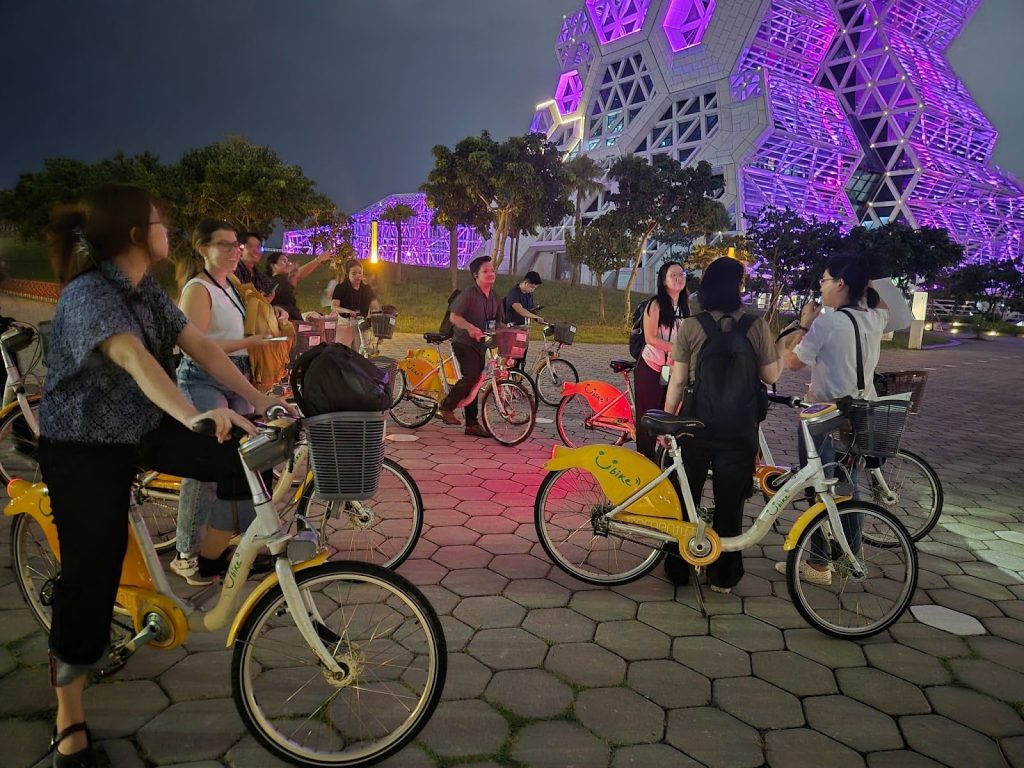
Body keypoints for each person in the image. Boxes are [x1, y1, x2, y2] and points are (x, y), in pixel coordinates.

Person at [38, 184, 283, 767]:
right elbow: (132, 358)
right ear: (132, 235)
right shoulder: (89, 293)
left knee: (242, 454)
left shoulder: (147, 291)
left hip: (140, 426)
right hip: (83, 445)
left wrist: (257, 399)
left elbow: (199, 345)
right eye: (158, 222)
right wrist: (196, 413)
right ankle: (67, 717)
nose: (167, 231)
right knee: (90, 572)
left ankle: (212, 557)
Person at [663, 256, 781, 593]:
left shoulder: (691, 325)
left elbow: (677, 381)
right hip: (740, 429)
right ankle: (724, 576)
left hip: (695, 426)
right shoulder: (756, 326)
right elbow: (770, 376)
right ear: (737, 287)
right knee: (731, 503)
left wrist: (668, 422)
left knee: (686, 497)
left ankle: (680, 566)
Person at [170, 219, 277, 585]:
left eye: (237, 245)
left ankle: (246, 541)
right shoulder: (198, 289)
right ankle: (186, 552)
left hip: (236, 375)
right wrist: (249, 343)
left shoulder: (229, 285)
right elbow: (194, 346)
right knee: (206, 468)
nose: (235, 251)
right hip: (202, 377)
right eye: (225, 245)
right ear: (203, 249)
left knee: (247, 459)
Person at [773, 255, 888, 585]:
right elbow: (888, 305)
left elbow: (793, 362)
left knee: (818, 487)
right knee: (848, 486)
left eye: (824, 280)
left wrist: (806, 323)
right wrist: (865, 284)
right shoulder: (875, 316)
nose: (821, 287)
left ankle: (819, 564)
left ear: (840, 283)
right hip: (860, 413)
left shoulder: (826, 322)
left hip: (824, 415)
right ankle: (850, 557)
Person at [440, 255, 504, 437]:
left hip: (481, 344)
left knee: (477, 381)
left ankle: (471, 424)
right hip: (463, 342)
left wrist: (510, 333)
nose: (491, 274)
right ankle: (446, 406)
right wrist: (470, 328)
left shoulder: (494, 296)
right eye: (486, 271)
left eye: (492, 270)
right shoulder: (468, 294)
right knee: (471, 376)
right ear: (476, 275)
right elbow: (454, 318)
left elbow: (500, 321)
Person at [635, 261, 689, 460]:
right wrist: (677, 349)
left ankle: (663, 458)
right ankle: (644, 461)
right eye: (673, 275)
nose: (678, 278)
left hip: (672, 369)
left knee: (668, 413)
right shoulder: (656, 304)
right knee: (648, 415)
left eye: (681, 274)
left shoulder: (684, 306)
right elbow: (650, 338)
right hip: (651, 366)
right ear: (664, 280)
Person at [266, 251, 330, 321]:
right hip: (287, 322)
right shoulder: (276, 281)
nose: (288, 263)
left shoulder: (279, 281)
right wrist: (319, 259)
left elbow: (297, 276)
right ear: (273, 266)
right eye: (284, 261)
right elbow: (299, 276)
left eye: (288, 261)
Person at [331, 258, 381, 347]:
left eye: (360, 273)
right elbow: (334, 307)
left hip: (361, 324)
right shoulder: (341, 288)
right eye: (354, 273)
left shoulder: (366, 289)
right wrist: (348, 311)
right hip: (345, 323)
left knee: (361, 353)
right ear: (348, 274)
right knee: (343, 353)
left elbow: (375, 303)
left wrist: (377, 309)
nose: (358, 276)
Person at [504, 271, 544, 369]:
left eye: (535, 288)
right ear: (526, 283)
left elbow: (529, 310)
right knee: (512, 361)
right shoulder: (514, 293)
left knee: (521, 360)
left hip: (523, 331)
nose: (533, 290)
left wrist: (537, 316)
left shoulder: (529, 295)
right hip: (512, 330)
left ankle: (518, 381)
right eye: (532, 287)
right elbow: (520, 310)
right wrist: (535, 317)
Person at [235, 232, 276, 297]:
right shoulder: (233, 272)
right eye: (250, 246)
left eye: (259, 247)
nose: (256, 251)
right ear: (240, 249)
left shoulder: (260, 277)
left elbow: (269, 289)